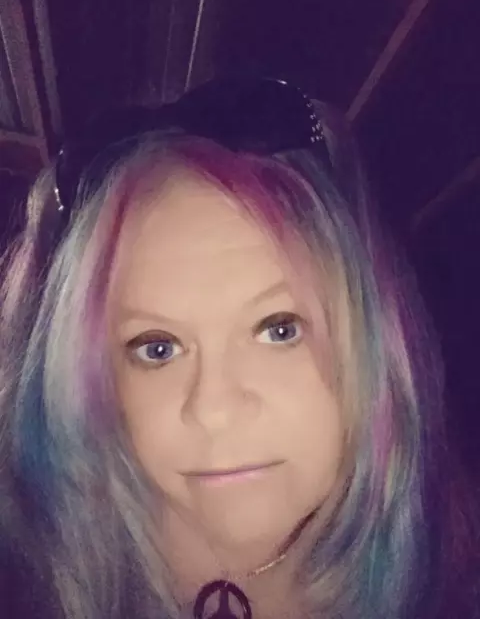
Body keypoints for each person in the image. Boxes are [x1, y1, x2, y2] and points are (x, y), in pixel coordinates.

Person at [0, 77, 476, 619]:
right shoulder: (27, 576)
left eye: (279, 329)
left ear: (372, 338)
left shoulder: (448, 575)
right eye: (158, 348)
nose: (214, 410)